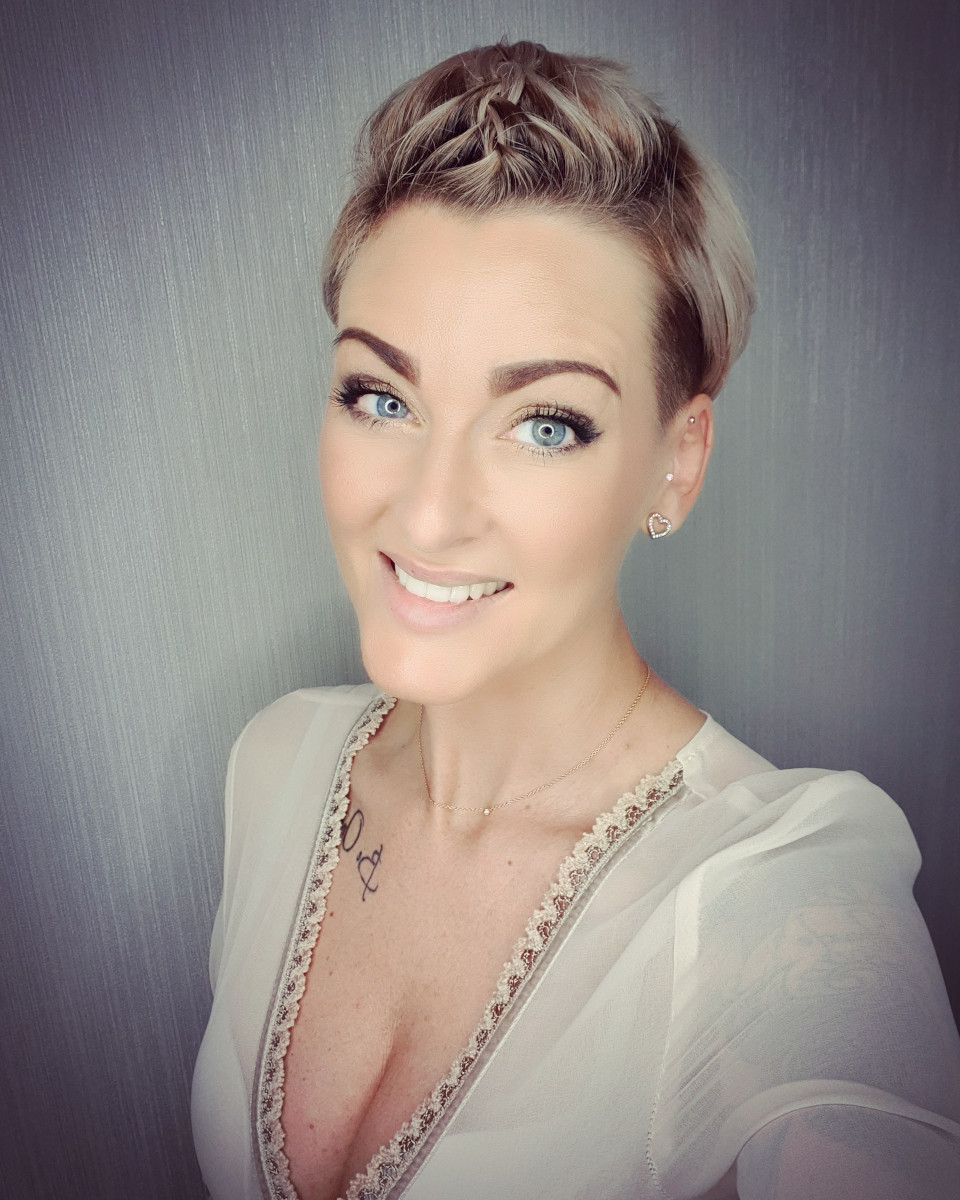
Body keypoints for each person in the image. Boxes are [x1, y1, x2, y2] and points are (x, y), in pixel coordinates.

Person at [191, 39, 960, 1200]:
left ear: (676, 461)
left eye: (546, 424)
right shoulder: (274, 763)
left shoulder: (778, 897)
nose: (429, 512)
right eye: (381, 397)